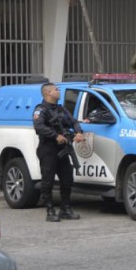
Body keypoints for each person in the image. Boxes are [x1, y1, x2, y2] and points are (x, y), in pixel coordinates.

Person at [33, 82, 85, 222]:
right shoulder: (40, 109)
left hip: (63, 149)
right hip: (48, 149)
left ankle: (65, 209)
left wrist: (79, 132)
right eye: (56, 89)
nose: (59, 90)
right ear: (48, 92)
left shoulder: (61, 109)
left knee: (67, 179)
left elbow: (73, 121)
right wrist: (55, 136)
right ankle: (50, 211)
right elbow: (39, 127)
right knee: (47, 181)